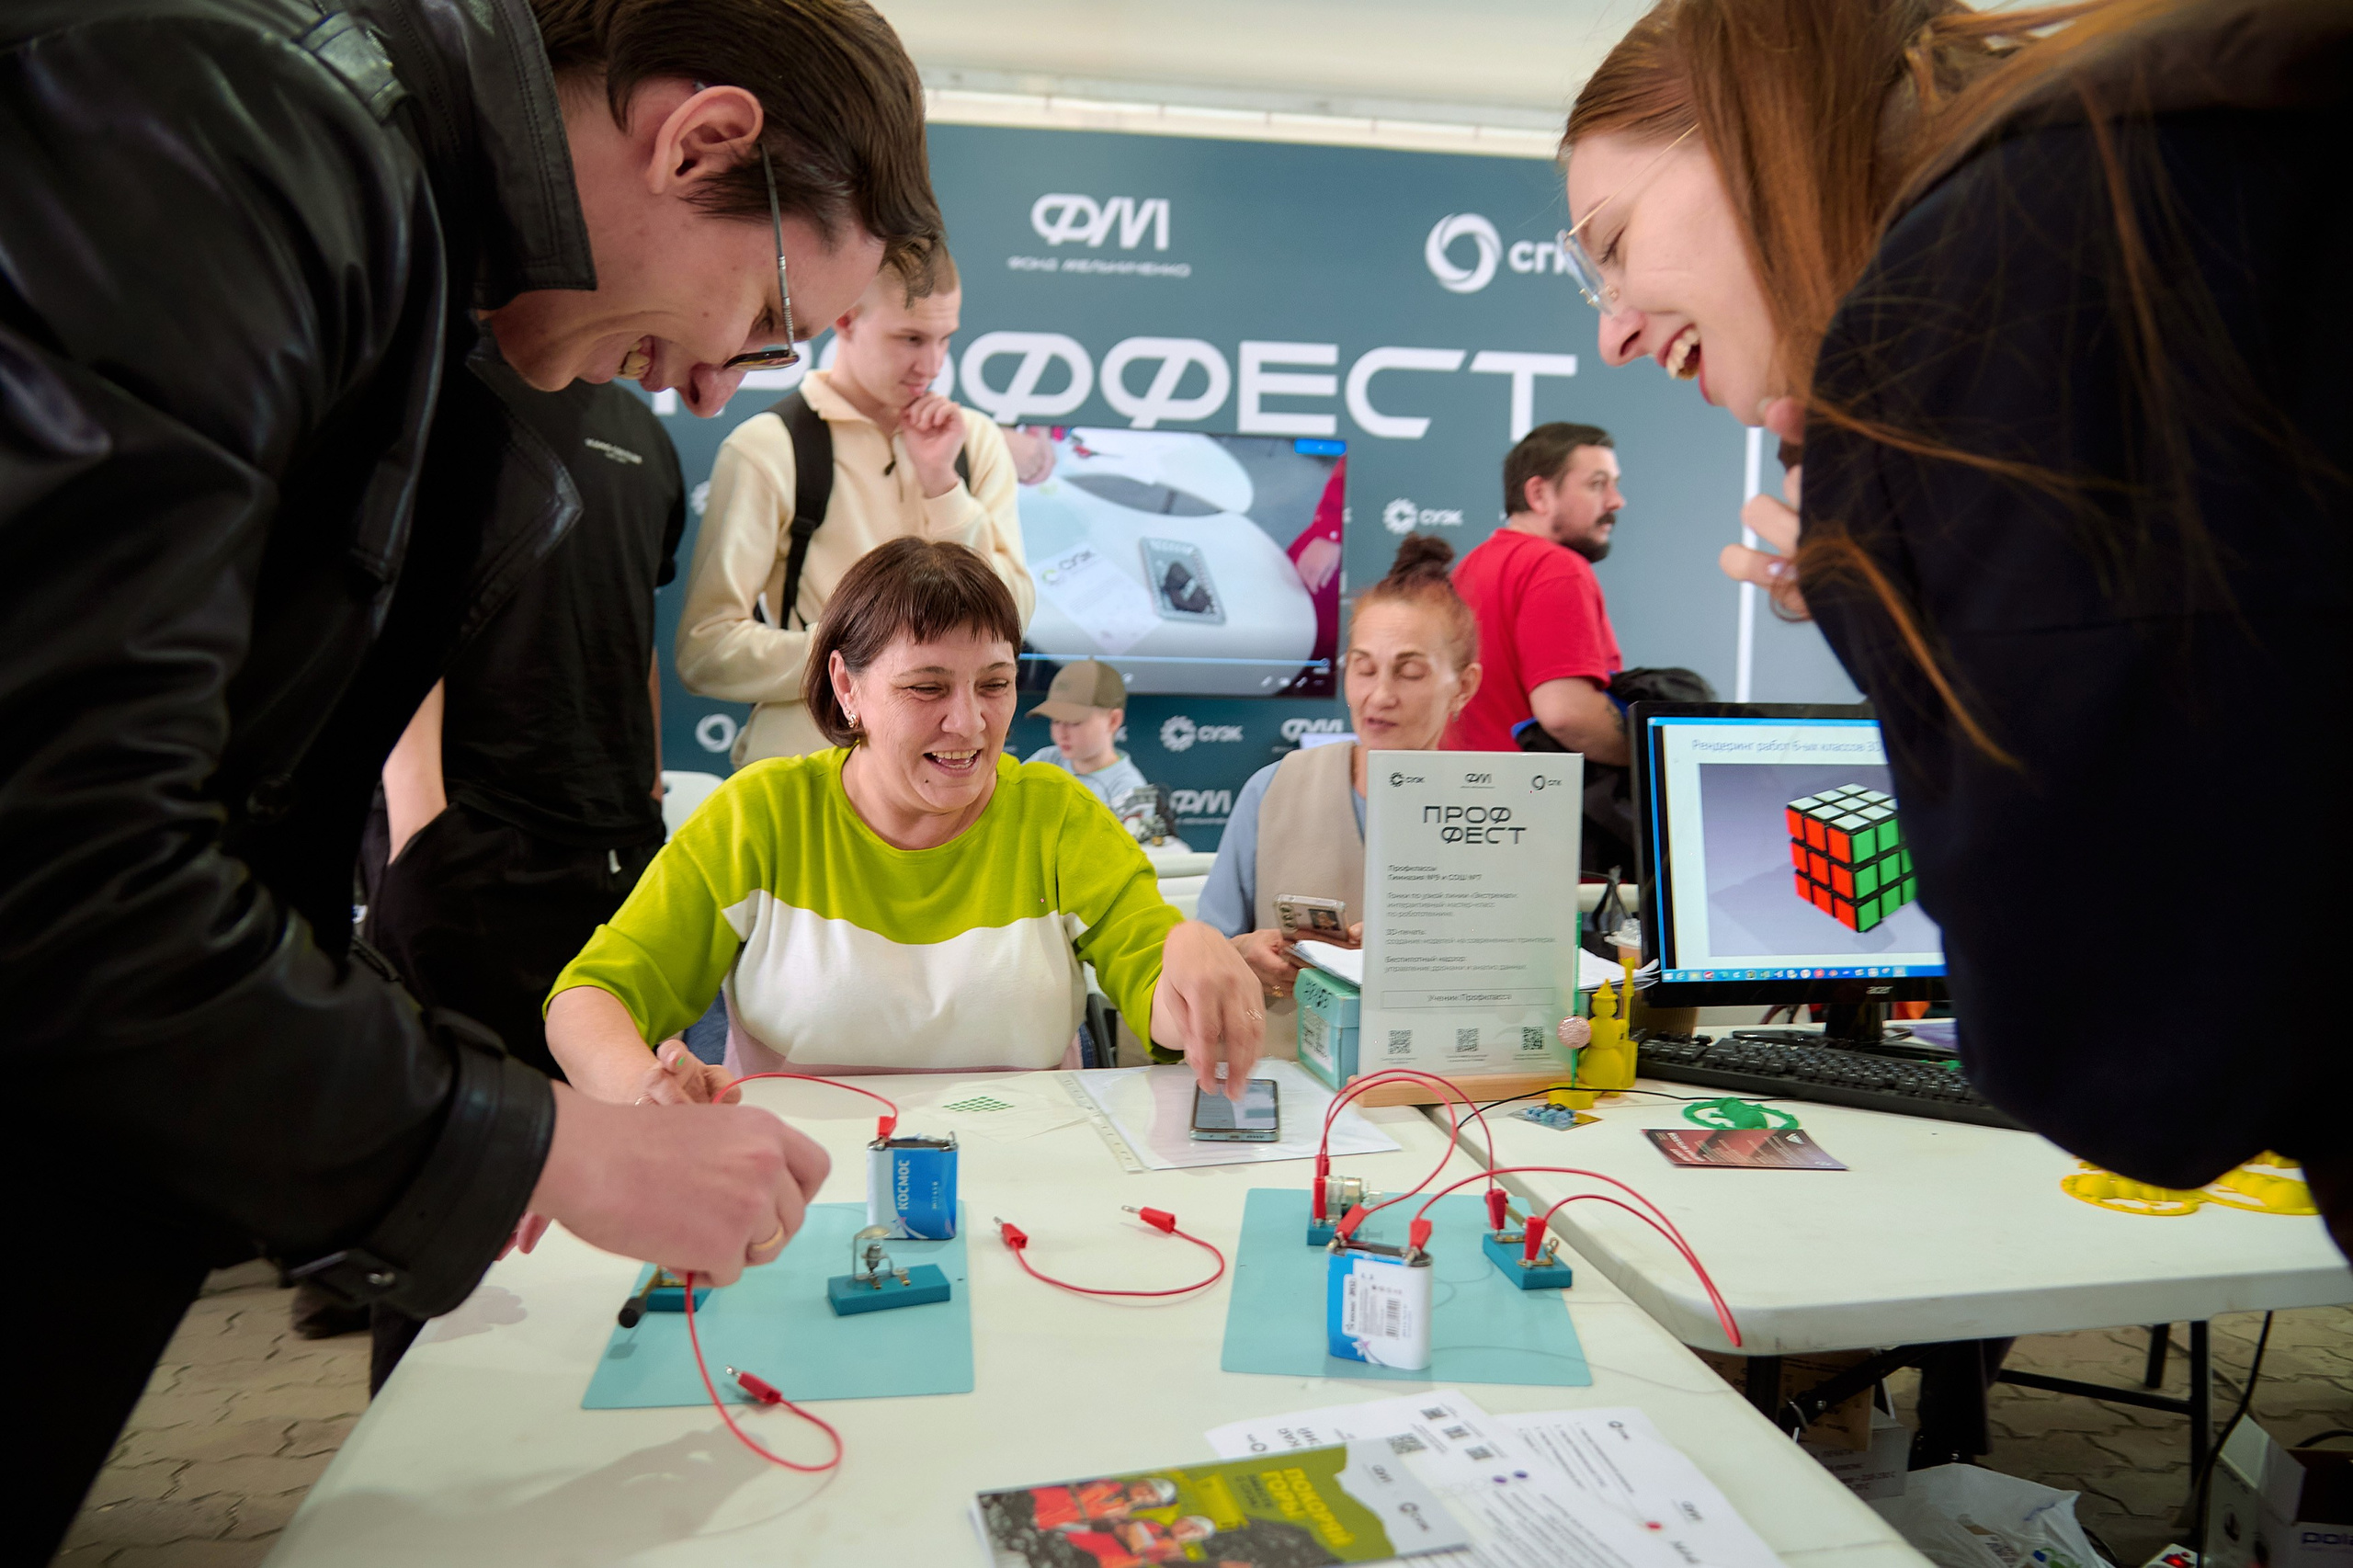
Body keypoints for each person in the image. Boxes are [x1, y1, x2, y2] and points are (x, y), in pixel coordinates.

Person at [0, 0, 940, 1544]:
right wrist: (544, 1144)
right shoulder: (245, 141)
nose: (716, 388)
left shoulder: (427, 281)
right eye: (768, 322)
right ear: (699, 139)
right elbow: (62, 861)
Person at [1558, 0, 2350, 1260]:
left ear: (1753, 129)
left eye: (1612, 244)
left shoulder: (1950, 303)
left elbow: (2119, 1063)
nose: (1612, 329)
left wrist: (1899, 583)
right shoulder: (2180, 158)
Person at [545, 539, 1263, 1098]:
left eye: (996, 684)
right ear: (845, 686)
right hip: (801, 1188)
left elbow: (1162, 1012)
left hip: (1031, 1190)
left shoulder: (1057, 817)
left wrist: (1193, 960)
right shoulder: (761, 815)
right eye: (926, 687)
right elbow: (589, 999)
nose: (970, 722)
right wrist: (645, 1095)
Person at [350, 347, 686, 1384]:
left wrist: (644, 793)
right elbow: (404, 621)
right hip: (470, 851)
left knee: (609, 1175)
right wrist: (420, 834)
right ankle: (409, 1470)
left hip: (614, 849)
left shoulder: (644, 435)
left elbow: (633, 629)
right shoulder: (453, 401)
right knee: (450, 1196)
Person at [676, 245, 1035, 764]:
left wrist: (943, 486)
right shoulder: (768, 447)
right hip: (805, 778)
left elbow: (1012, 620)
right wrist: (865, 660)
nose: (931, 365)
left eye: (944, 340)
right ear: (844, 320)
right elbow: (704, 652)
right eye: (910, 338)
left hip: (948, 776)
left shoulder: (974, 441)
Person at [1199, 538, 1483, 1041]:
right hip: (1287, 1080)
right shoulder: (1273, 790)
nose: (1380, 696)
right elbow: (1206, 950)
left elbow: (1521, 981)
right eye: (1364, 668)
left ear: (1464, 686)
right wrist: (1244, 955)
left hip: (1445, 1078)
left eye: (1409, 672)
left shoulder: (1497, 813)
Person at [1446, 424, 1629, 767]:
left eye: (1615, 485)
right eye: (1597, 485)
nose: (1616, 501)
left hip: (1468, 802)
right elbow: (1565, 713)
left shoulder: (1469, 567)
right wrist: (1658, 759)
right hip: (1534, 806)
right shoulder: (1556, 566)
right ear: (1539, 495)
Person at [1025, 660, 1152, 810]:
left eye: (1074, 722)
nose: (1061, 733)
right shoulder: (1045, 760)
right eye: (1056, 721)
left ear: (1113, 720)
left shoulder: (1129, 790)